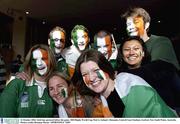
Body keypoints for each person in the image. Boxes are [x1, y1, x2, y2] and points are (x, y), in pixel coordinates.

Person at [72, 49, 177, 117]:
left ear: (106, 69)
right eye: (85, 74)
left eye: (96, 70)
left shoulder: (130, 87)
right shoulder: (103, 99)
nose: (91, 78)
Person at [118, 36, 180, 112]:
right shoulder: (117, 79)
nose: (131, 52)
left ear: (143, 53)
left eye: (136, 49)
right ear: (122, 55)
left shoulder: (158, 71)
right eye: (127, 50)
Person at [0, 44, 56, 117]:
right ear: (29, 63)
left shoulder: (55, 87)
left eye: (44, 58)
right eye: (35, 60)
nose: (39, 63)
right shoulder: (16, 85)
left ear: (51, 61)